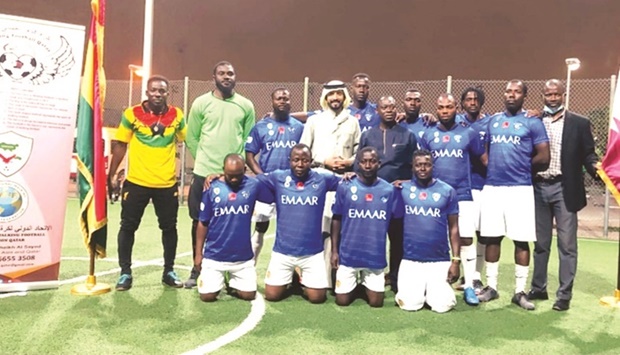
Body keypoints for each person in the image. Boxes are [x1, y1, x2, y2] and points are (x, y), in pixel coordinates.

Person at [107, 75, 186, 291]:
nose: (158, 94)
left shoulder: (177, 115)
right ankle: (125, 272)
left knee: (169, 228)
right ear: (147, 92)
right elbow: (120, 144)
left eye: (162, 91)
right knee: (128, 226)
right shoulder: (131, 114)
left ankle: (168, 271)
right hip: (136, 182)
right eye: (154, 90)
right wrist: (111, 174)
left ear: (167, 93)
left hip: (166, 183)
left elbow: (186, 139)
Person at [478, 80, 550, 310]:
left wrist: (521, 166)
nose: (511, 95)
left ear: (524, 96)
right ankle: (491, 286)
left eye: (517, 91)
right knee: (492, 237)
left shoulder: (532, 122)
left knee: (521, 240)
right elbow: (485, 153)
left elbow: (544, 156)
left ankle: (519, 291)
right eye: (508, 91)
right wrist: (493, 167)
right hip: (493, 188)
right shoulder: (494, 121)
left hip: (520, 188)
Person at [528, 79, 600, 311]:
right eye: (548, 94)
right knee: (541, 243)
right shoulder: (534, 120)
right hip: (538, 188)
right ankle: (539, 288)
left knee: (567, 245)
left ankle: (564, 295)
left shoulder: (580, 123)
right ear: (542, 95)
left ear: (563, 95)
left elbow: (588, 154)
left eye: (556, 94)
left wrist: (598, 169)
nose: (552, 98)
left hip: (564, 189)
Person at [185, 61, 256, 288]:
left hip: (233, 177)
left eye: (231, 73)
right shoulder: (201, 103)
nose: (227, 77)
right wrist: (205, 162)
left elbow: (248, 141)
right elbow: (192, 137)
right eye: (222, 73)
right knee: (199, 221)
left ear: (236, 77)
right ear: (213, 76)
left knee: (235, 220)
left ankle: (233, 269)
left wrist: (231, 169)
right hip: (203, 173)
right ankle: (198, 267)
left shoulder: (245, 105)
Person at [418, 93, 485, 306]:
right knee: (436, 239)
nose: (445, 111)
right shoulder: (428, 135)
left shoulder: (469, 133)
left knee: (465, 238)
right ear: (435, 109)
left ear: (456, 107)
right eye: (441, 107)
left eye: (449, 107)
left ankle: (470, 285)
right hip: (435, 195)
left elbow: (483, 160)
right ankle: (436, 282)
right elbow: (421, 166)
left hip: (463, 193)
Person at [257, 144, 341, 304]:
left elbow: (347, 182)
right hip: (283, 252)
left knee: (317, 298)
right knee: (272, 296)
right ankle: (293, 276)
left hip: (312, 253)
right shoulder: (278, 177)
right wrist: (221, 176)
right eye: (296, 160)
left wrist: (350, 175)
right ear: (289, 160)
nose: (300, 165)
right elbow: (249, 180)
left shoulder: (322, 178)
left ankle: (298, 279)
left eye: (305, 160)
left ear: (311, 161)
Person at [300, 80, 361, 288]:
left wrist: (348, 162)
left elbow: (358, 152)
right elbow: (303, 151)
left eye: (339, 94)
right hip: (319, 180)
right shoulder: (314, 121)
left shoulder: (352, 122)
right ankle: (315, 278)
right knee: (319, 229)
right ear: (325, 98)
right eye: (331, 95)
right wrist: (324, 160)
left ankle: (338, 279)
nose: (335, 98)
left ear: (344, 97)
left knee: (341, 229)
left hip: (344, 181)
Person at [330, 147, 402, 307]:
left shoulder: (389, 190)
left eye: (372, 162)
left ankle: (363, 284)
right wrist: (334, 250)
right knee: (342, 301)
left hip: (374, 258)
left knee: (376, 303)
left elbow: (395, 224)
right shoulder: (345, 186)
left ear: (379, 164)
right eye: (363, 162)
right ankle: (356, 284)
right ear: (357, 164)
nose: (368, 166)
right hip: (348, 256)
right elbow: (336, 218)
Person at [358, 95, 416, 290]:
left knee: (397, 237)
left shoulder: (407, 135)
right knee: (371, 236)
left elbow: (415, 167)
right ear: (378, 111)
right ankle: (368, 276)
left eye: (392, 106)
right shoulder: (367, 136)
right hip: (372, 195)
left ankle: (396, 277)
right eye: (385, 107)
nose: (389, 110)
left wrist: (407, 182)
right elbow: (360, 165)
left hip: (397, 196)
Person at [394, 149, 461, 313]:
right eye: (418, 165)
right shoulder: (402, 189)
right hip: (411, 259)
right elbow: (376, 187)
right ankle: (420, 291)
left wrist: (456, 261)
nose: (422, 169)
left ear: (433, 166)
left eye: (426, 165)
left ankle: (433, 291)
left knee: (442, 306)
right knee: (409, 305)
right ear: (413, 168)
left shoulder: (447, 191)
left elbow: (454, 228)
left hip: (438, 260)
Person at [194, 154, 264, 302]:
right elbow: (203, 222)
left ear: (245, 170)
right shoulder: (211, 187)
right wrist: (198, 254)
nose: (233, 179)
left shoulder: (254, 185)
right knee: (207, 297)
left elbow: (274, 187)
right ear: (223, 170)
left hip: (242, 258)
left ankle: (231, 281)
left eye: (237, 175)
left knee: (248, 295)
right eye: (229, 175)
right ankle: (222, 277)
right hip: (214, 256)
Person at [245, 88, 304, 264]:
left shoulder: (299, 128)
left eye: (286, 98)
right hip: (267, 186)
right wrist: (261, 176)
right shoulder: (261, 126)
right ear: (272, 101)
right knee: (261, 227)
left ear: (290, 101)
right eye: (279, 98)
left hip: (291, 187)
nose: (282, 101)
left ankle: (292, 275)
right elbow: (249, 154)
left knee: (290, 230)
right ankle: (249, 269)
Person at [454, 87, 491, 292]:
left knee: (481, 233)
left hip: (482, 184)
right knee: (461, 233)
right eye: (468, 99)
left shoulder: (490, 123)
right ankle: (458, 272)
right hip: (461, 186)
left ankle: (476, 276)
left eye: (476, 99)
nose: (473, 102)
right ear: (462, 103)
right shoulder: (455, 121)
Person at [289, 73, 380, 133]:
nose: (361, 90)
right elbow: (309, 115)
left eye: (365, 87)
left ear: (369, 89)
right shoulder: (341, 110)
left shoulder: (378, 110)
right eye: (358, 86)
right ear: (351, 89)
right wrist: (286, 116)